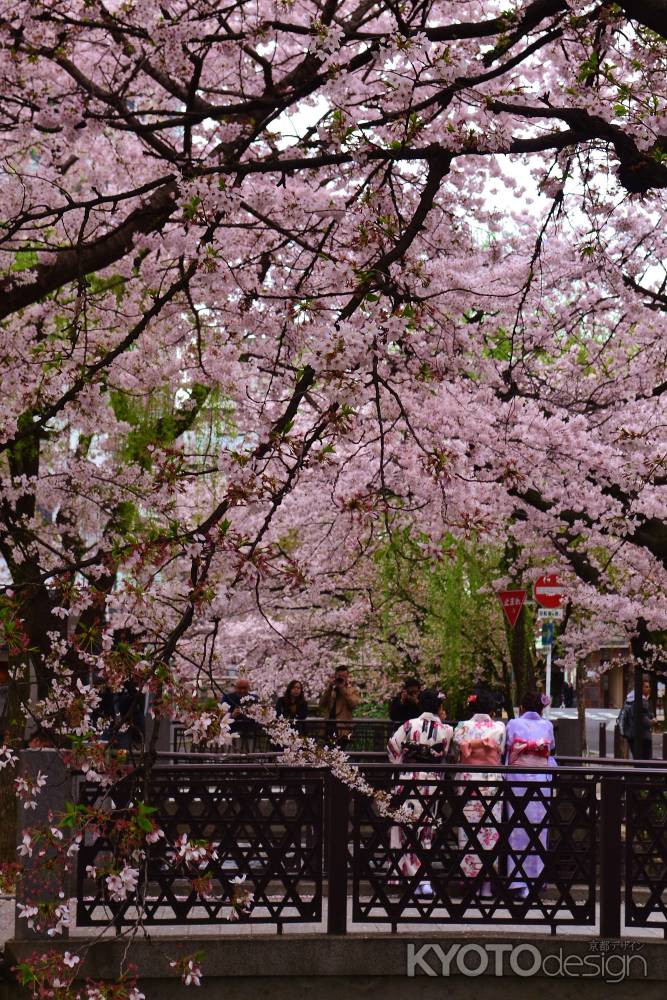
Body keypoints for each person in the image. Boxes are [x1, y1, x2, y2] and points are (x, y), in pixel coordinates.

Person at [387, 689, 453, 896]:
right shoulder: (447, 729)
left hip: (409, 778)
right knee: (426, 828)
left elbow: (393, 747)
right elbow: (447, 754)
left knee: (404, 827)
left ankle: (403, 875)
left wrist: (402, 765)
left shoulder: (409, 725)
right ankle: (423, 880)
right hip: (432, 781)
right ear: (439, 707)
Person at [453, 690, 506, 898]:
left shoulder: (461, 728)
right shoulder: (499, 727)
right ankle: (486, 884)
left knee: (468, 832)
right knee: (490, 831)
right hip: (491, 783)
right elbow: (501, 748)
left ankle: (470, 882)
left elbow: (454, 752)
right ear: (492, 711)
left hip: (468, 783)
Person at [504, 691, 556, 900]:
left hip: (518, 778)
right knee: (538, 828)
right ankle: (536, 879)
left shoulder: (513, 725)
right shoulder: (547, 726)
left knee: (518, 828)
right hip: (541, 779)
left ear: (522, 708)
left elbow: (507, 748)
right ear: (541, 709)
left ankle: (518, 880)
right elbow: (550, 748)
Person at [318, 666, 360, 745]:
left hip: (342, 730)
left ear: (347, 677)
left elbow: (353, 705)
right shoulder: (331, 690)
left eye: (344, 676)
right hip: (328, 727)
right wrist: (329, 688)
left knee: (339, 754)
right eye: (339, 676)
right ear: (335, 676)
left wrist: (342, 690)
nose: (341, 678)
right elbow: (321, 704)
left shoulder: (352, 690)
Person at [618, 676, 654, 759]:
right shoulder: (640, 701)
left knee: (637, 761)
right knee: (645, 763)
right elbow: (644, 720)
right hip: (642, 736)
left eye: (649, 687)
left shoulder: (629, 698)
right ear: (640, 687)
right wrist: (653, 721)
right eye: (646, 687)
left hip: (631, 735)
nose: (649, 689)